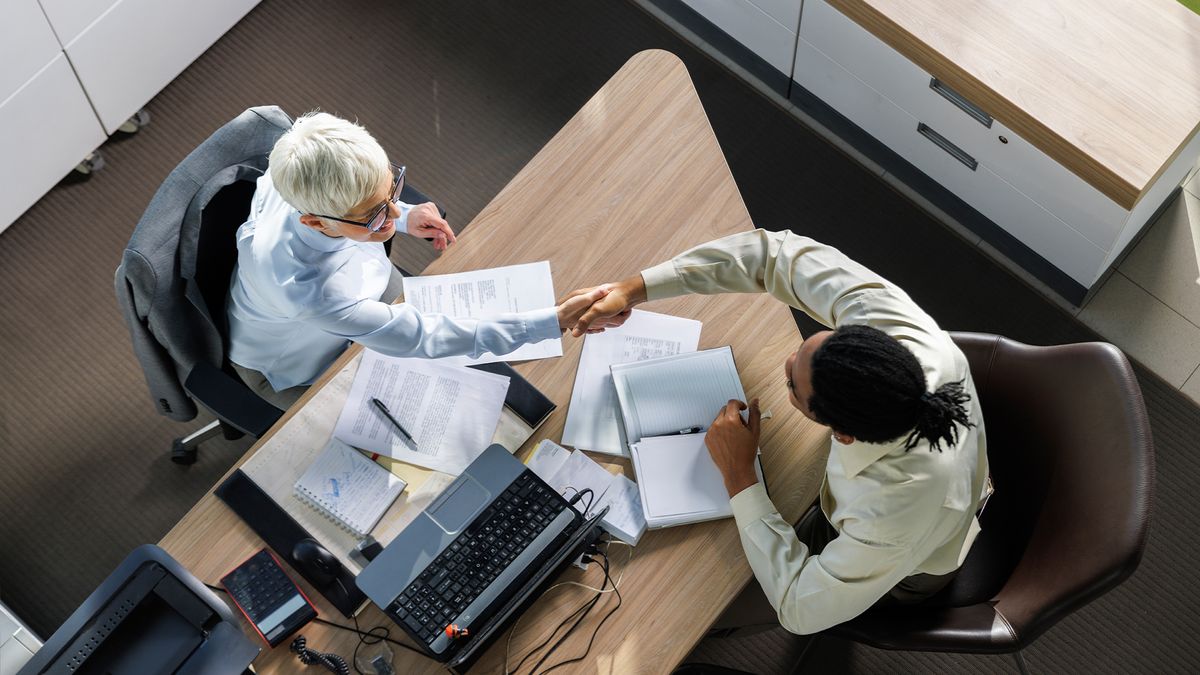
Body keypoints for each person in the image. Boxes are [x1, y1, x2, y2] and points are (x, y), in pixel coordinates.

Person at [567, 229, 991, 635]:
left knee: (708, 599)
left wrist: (739, 475)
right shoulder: (896, 329)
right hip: (888, 498)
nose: (787, 360)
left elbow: (798, 608)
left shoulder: (889, 513)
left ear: (843, 435)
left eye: (792, 384)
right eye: (811, 345)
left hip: (904, 566)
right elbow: (775, 255)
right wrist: (632, 289)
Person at [227, 112, 606, 409]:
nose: (392, 215)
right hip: (300, 359)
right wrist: (553, 320)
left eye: (392, 188)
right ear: (313, 220)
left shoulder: (301, 165)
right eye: (375, 214)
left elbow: (370, 208)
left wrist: (406, 215)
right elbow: (427, 336)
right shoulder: (309, 292)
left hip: (352, 293)